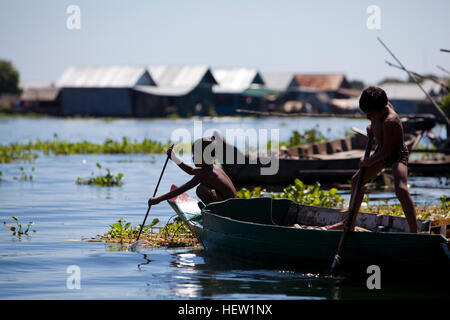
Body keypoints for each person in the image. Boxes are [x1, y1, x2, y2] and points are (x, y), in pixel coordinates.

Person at [326, 86, 418, 233]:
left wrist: (369, 161)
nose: (368, 117)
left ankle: (415, 232)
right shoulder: (380, 111)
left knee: (401, 189)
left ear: (383, 108)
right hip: (381, 150)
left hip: (396, 153)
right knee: (357, 181)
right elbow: (376, 124)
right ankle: (349, 223)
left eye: (370, 115)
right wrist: (372, 127)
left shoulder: (391, 121)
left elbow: (387, 150)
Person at [147, 137, 237, 207]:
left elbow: (181, 189)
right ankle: (213, 209)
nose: (193, 158)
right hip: (232, 204)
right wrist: (174, 158)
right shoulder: (212, 167)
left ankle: (215, 213)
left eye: (196, 155)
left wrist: (158, 199)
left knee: (201, 190)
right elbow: (191, 171)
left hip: (229, 208)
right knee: (204, 187)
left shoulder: (206, 173)